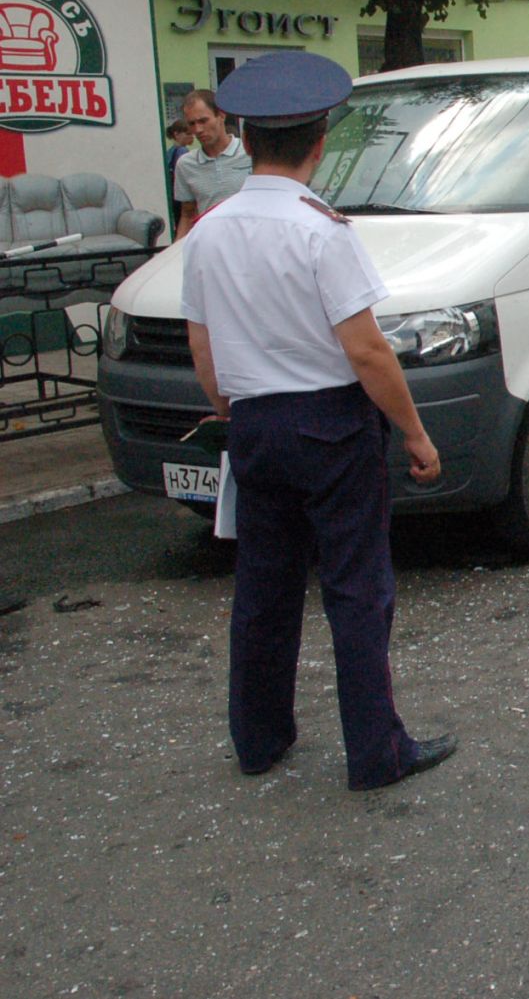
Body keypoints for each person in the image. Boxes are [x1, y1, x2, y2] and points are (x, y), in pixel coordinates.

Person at [181, 52, 456, 792]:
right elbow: (366, 349)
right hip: (328, 425)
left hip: (254, 424)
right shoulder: (321, 230)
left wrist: (226, 405)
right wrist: (415, 432)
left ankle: (259, 737)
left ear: (242, 135)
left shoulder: (208, 230)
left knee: (263, 588)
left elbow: (201, 341)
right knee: (356, 588)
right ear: (319, 141)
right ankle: (376, 750)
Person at [173, 89, 251, 237]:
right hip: (211, 244)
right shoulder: (185, 165)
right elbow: (187, 214)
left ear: (221, 115)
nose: (198, 129)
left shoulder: (251, 154)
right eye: (191, 124)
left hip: (251, 241)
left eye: (203, 121)